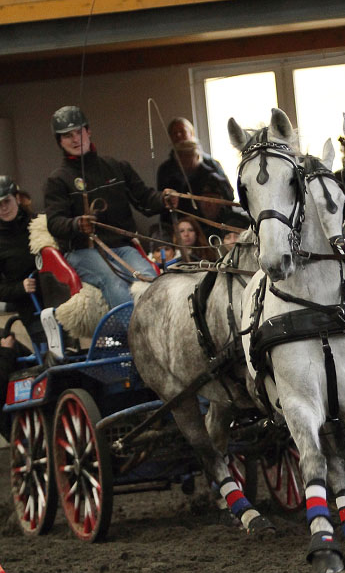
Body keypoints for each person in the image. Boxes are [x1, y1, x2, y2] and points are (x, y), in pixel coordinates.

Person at [44, 105, 167, 315]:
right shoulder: (57, 180)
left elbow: (145, 200)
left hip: (122, 246)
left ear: (88, 131)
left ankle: (159, 331)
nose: (75, 139)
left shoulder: (117, 167)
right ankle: (132, 339)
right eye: (67, 136)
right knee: (113, 279)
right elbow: (55, 223)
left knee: (148, 276)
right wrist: (77, 224)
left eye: (79, 132)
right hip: (82, 251)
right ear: (59, 141)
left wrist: (165, 199)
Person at [0, 176, 39, 436]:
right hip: (28, 305)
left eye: (6, 201)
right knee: (44, 351)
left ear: (17, 199)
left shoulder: (37, 224)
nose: (3, 207)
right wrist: (20, 289)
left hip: (54, 296)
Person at [156, 117, 238, 227]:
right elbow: (162, 203)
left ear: (191, 133)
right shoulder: (165, 169)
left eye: (182, 131)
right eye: (174, 133)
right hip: (180, 225)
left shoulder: (211, 164)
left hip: (211, 224)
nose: (179, 135)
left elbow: (228, 194)